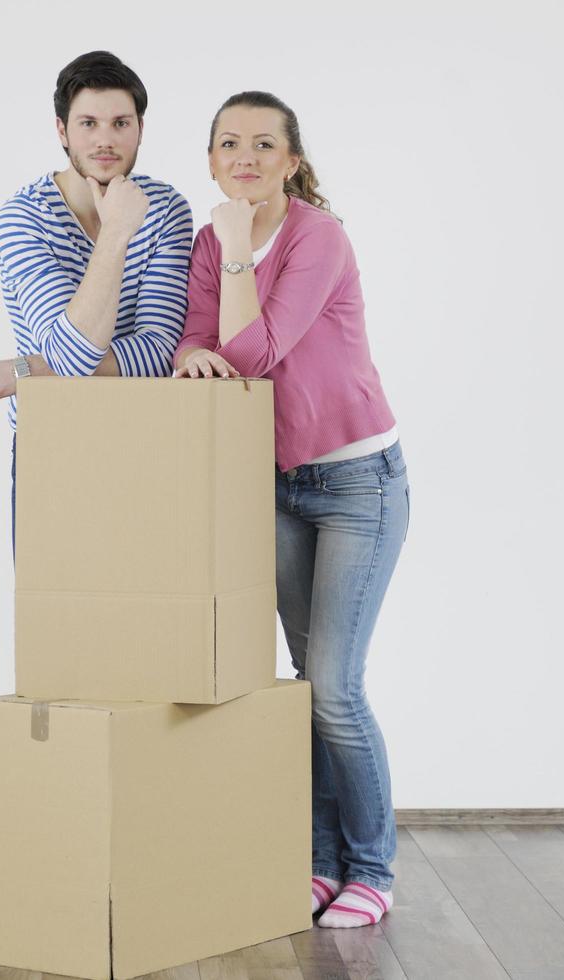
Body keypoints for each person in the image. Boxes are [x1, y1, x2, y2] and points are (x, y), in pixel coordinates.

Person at [173, 91, 408, 929]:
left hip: (355, 485)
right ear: (210, 161)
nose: (245, 158)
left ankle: (373, 868)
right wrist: (200, 343)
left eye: (264, 144)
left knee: (337, 689)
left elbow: (251, 355)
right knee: (302, 689)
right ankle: (318, 863)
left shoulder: (318, 238)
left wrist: (236, 256)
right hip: (273, 483)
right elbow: (195, 343)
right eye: (228, 143)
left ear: (293, 160)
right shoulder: (210, 241)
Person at [0, 51, 193, 541]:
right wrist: (116, 234)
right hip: (54, 440)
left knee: (148, 613)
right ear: (62, 131)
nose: (105, 139)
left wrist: (24, 369)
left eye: (119, 123)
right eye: (88, 123)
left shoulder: (167, 209)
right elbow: (72, 353)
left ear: (140, 130)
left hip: (147, 436)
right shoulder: (23, 217)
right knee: (58, 615)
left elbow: (157, 355)